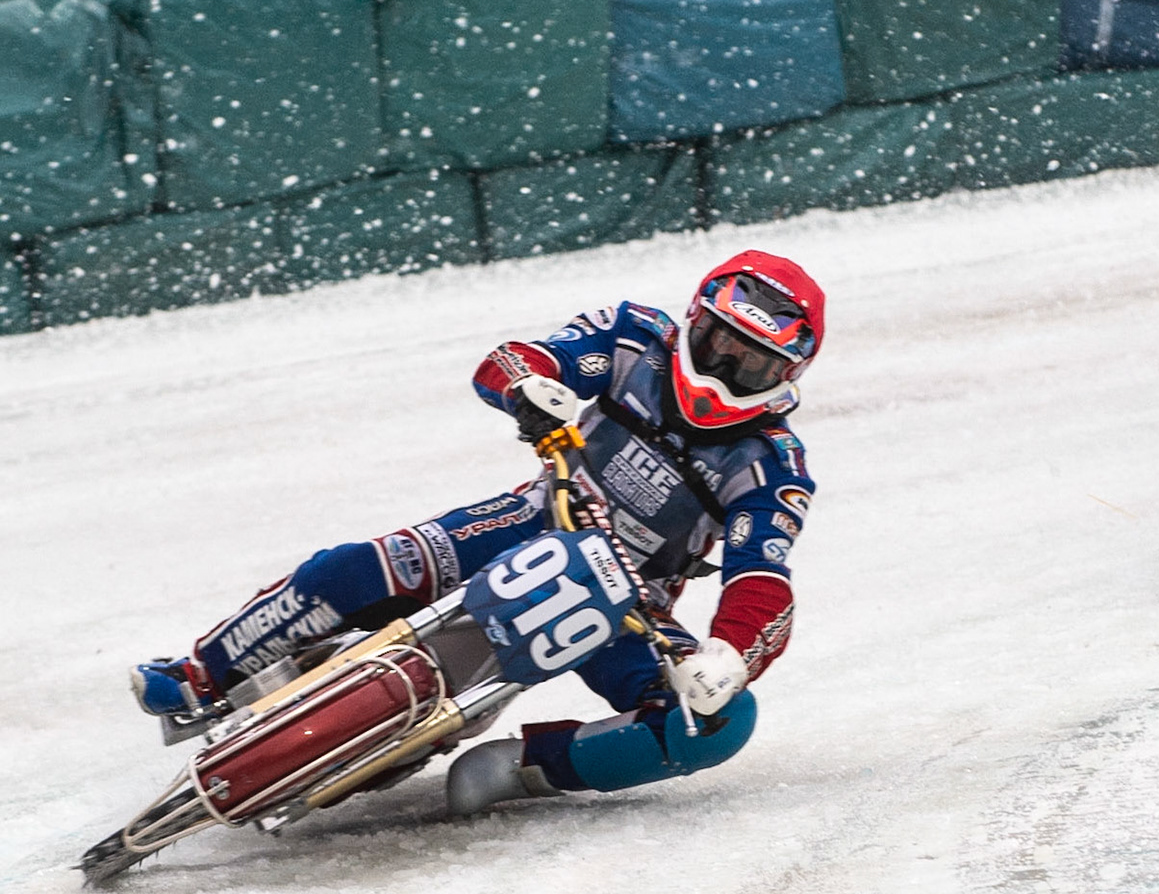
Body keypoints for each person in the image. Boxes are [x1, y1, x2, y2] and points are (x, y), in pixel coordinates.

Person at [130, 250, 823, 814]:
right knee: (350, 569)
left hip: (630, 605)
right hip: (529, 518)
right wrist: (531, 391)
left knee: (719, 722)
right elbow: (518, 358)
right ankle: (198, 676)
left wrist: (730, 658)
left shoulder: (772, 464)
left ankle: (528, 768)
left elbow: (763, 577)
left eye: (754, 363)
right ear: (694, 320)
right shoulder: (633, 336)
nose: (728, 371)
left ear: (788, 373)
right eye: (720, 345)